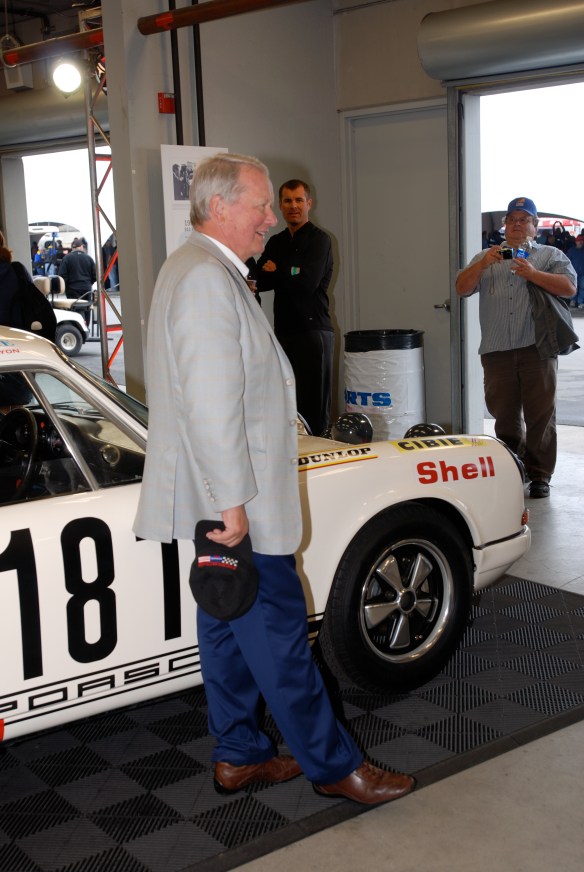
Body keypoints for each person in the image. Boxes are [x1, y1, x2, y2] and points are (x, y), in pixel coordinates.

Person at [133, 153, 415, 804]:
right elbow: (210, 407)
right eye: (260, 205)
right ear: (220, 205)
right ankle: (334, 766)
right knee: (282, 640)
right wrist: (233, 511)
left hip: (218, 502)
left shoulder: (199, 269)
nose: (270, 218)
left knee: (226, 626)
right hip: (239, 506)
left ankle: (239, 752)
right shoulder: (206, 277)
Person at [456, 196, 578, 499]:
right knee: (504, 415)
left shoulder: (550, 254)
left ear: (535, 227)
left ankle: (540, 475)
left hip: (538, 347)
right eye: (512, 219)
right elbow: (461, 288)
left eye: (524, 220)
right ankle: (514, 466)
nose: (517, 225)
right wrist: (483, 264)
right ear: (504, 226)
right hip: (496, 350)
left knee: (541, 415)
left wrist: (534, 274)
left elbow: (570, 288)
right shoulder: (486, 256)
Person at [256, 179, 334, 436]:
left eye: (299, 200)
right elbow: (261, 280)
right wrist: (288, 271)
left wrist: (278, 268)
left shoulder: (320, 240)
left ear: (309, 204)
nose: (293, 206)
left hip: (314, 334)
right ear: (280, 205)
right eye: (288, 201)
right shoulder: (277, 242)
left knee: (314, 411)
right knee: (288, 406)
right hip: (284, 334)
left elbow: (307, 282)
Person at [58, 236, 96, 325]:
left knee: (74, 309)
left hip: (72, 289)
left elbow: (62, 275)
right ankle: (86, 327)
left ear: (72, 248)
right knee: (86, 308)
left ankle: (78, 328)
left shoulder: (67, 258)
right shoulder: (89, 258)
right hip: (86, 289)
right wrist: (88, 283)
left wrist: (66, 286)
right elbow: (95, 275)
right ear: (82, 246)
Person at [567, 233, 584, 308]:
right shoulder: (571, 250)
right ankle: (573, 300)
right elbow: (567, 261)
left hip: (583, 273)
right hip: (573, 272)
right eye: (579, 241)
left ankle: (580, 302)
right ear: (576, 241)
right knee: (574, 287)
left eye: (582, 241)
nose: (580, 242)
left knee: (582, 288)